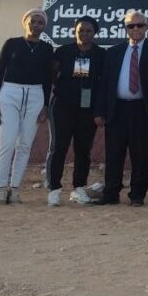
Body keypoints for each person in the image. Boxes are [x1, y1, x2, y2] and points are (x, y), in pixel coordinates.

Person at [93, 10, 148, 206]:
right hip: (117, 110)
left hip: (143, 110)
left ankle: (137, 195)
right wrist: (100, 111)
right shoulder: (114, 52)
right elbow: (105, 83)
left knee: (141, 154)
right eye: (131, 26)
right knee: (114, 154)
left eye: (139, 25)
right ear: (125, 28)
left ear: (146, 27)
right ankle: (111, 193)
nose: (135, 29)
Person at [0, 8, 54, 204]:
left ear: (44, 26)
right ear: (25, 22)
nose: (36, 25)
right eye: (32, 21)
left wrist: (44, 104)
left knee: (25, 144)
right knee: (7, 143)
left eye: (40, 23)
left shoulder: (46, 48)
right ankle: (0, 189)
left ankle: (15, 189)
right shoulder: (12, 44)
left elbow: (47, 79)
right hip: (10, 93)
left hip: (35, 95)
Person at [46, 15, 104, 206]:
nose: (84, 34)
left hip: (87, 109)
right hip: (62, 106)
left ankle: (79, 188)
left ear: (95, 33)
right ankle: (54, 189)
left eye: (88, 30)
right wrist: (65, 89)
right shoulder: (63, 51)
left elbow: (105, 82)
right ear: (74, 31)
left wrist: (98, 110)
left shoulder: (101, 54)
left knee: (83, 149)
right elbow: (52, 75)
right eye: (81, 30)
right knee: (58, 148)